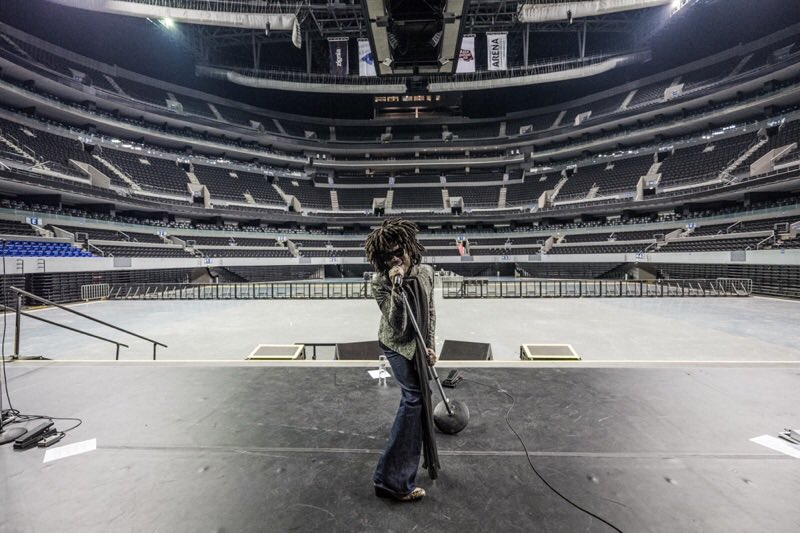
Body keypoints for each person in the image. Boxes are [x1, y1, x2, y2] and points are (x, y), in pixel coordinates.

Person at [365, 218, 437, 502]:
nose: (396, 259)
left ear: (409, 248)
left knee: (419, 398)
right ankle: (391, 480)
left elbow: (430, 313)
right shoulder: (380, 282)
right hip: (396, 345)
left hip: (418, 344)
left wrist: (430, 346)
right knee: (414, 399)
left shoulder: (426, 273)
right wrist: (397, 287)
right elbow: (397, 324)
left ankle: (401, 466)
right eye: (388, 256)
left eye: (399, 252)